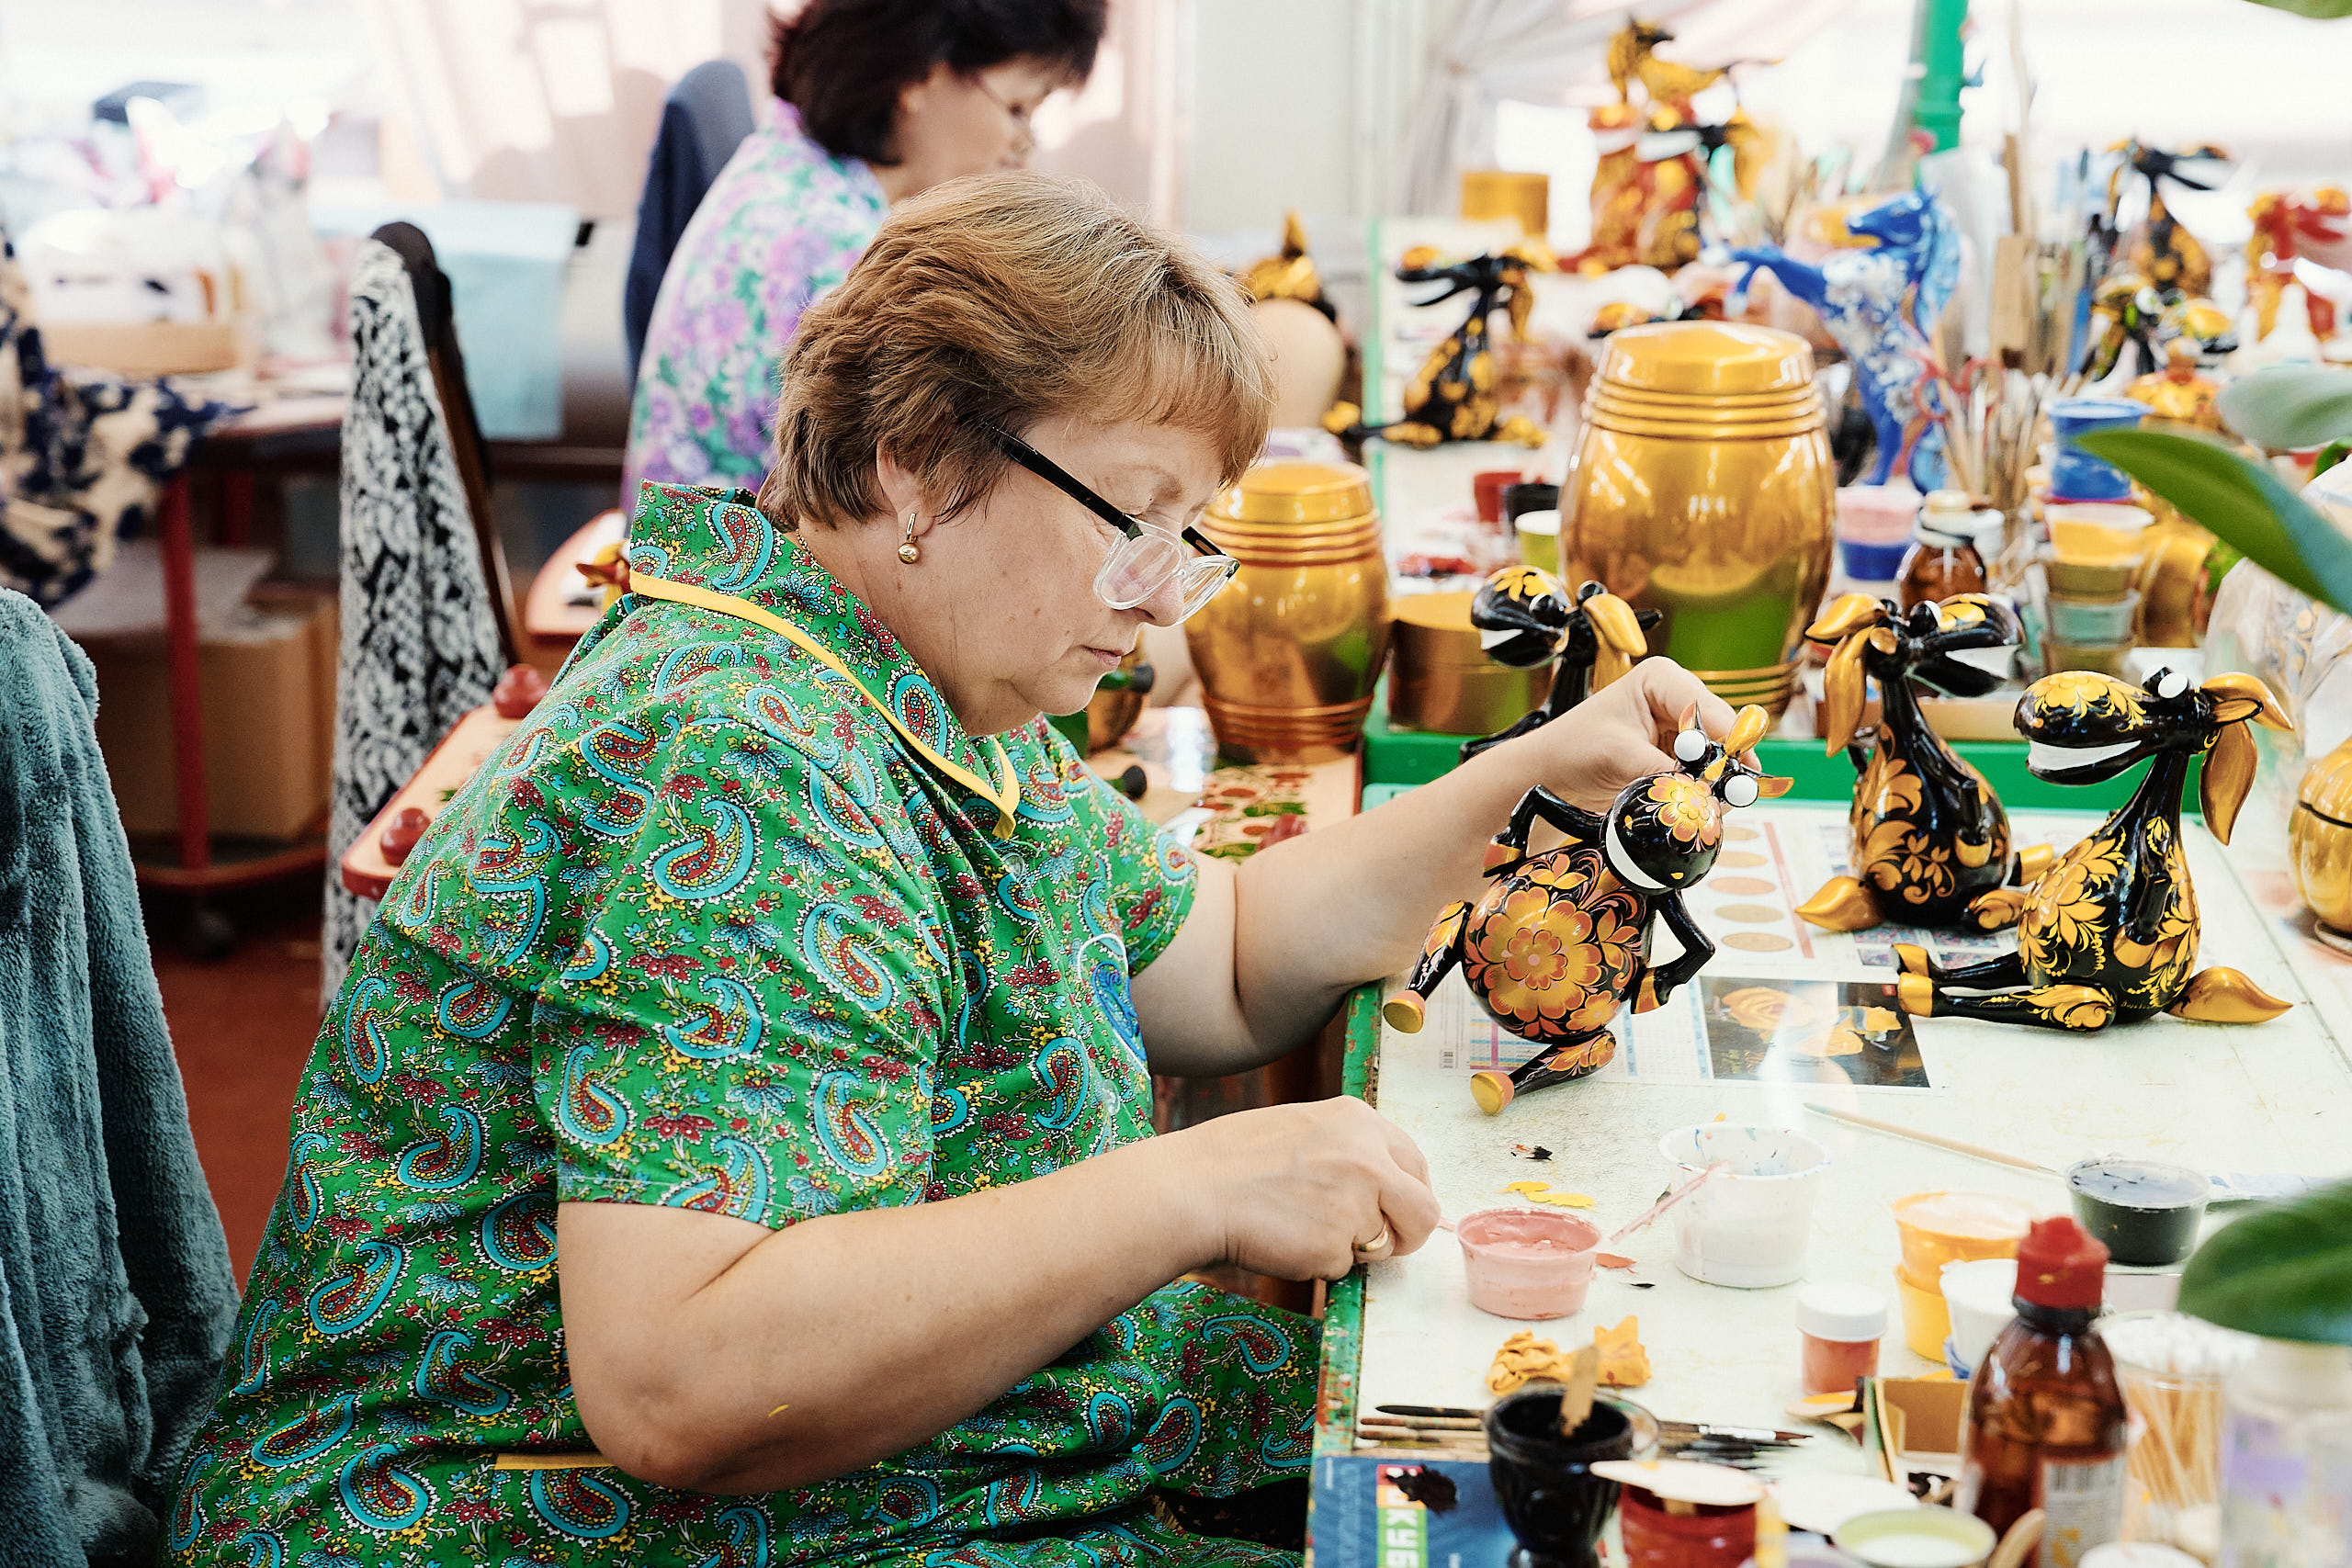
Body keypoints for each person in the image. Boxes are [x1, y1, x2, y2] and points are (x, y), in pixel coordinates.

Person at [170, 174, 1736, 1566]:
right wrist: (1192, 1186)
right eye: (1137, 522)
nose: (1162, 605)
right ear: (919, 464)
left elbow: (1229, 957)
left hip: (891, 1459)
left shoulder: (925, 681)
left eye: (1189, 541)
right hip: (511, 1509)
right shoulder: (739, 754)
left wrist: (1529, 776)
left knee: (1535, 1443)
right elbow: (681, 1378)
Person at [621, 0, 1105, 503]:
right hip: (733, 552)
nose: (1020, 148)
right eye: (1017, 109)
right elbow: (885, 506)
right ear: (920, 75)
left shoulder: (788, 156)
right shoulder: (835, 259)